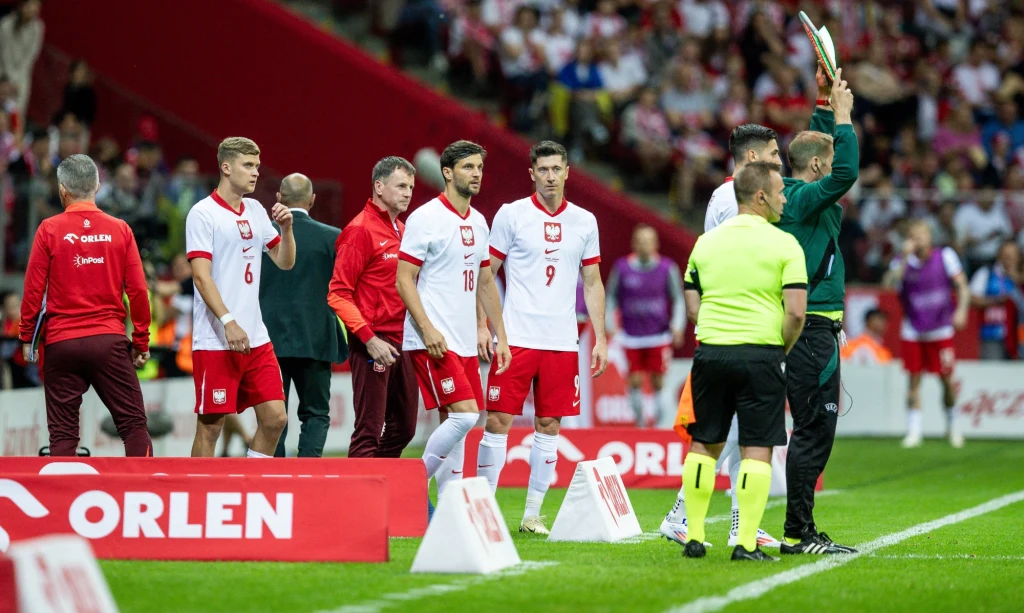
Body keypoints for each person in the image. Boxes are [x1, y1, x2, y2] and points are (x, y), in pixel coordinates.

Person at [475, 140, 608, 535]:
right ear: (532, 173)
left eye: (556, 169)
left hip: (562, 342)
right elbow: (486, 273)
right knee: (497, 420)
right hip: (515, 338)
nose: (550, 177)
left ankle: (532, 514)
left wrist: (600, 338)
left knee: (549, 425)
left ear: (567, 172)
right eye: (543, 170)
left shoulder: (585, 221)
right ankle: (483, 509)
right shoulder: (512, 214)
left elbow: (593, 281)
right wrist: (483, 326)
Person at [662, 123, 783, 550]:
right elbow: (738, 263)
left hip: (726, 325)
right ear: (752, 158)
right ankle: (685, 515)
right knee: (731, 431)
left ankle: (737, 524)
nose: (779, 161)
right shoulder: (737, 200)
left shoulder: (722, 195)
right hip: (737, 328)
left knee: (736, 429)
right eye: (773, 154)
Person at [680, 162, 806, 562]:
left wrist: (716, 331)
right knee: (757, 448)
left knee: (704, 443)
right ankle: (746, 543)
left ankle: (694, 537)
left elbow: (692, 303)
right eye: (781, 191)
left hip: (712, 351)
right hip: (761, 353)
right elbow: (796, 313)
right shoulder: (785, 244)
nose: (785, 199)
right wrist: (781, 349)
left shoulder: (706, 243)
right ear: (761, 196)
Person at [396, 140, 511, 508]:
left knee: (457, 424)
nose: (476, 174)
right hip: (432, 338)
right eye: (468, 167)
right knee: (466, 417)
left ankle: (448, 507)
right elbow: (403, 279)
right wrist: (427, 328)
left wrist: (493, 331)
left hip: (463, 340)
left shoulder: (478, 221)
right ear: (447, 172)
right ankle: (408, 489)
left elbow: (484, 282)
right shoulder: (425, 218)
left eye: (479, 168)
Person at [18, 154, 153, 456]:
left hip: (61, 343)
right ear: (98, 186)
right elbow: (138, 291)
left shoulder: (48, 229)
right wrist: (141, 341)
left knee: (63, 435)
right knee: (133, 426)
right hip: (108, 341)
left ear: (62, 190)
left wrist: (27, 337)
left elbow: (33, 290)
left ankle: (63, 488)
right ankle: (142, 485)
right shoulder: (120, 229)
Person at [775, 68, 859, 555]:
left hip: (816, 329)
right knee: (813, 431)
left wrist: (825, 103)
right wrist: (844, 118)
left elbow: (821, 152)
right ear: (816, 168)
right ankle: (797, 533)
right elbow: (845, 172)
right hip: (811, 330)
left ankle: (799, 529)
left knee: (812, 429)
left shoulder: (797, 192)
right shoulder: (802, 198)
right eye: (826, 162)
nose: (833, 167)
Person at [185, 137, 295, 458]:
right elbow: (201, 276)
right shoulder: (203, 213)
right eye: (248, 165)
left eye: (257, 166)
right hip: (217, 339)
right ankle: (198, 489)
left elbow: (284, 262)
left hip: (255, 337)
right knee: (211, 426)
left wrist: (287, 230)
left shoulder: (256, 210)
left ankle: (251, 482)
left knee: (275, 419)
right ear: (226, 167)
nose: (255, 172)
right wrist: (228, 322)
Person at [329, 156, 420, 458]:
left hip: (403, 340)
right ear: (379, 187)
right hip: (374, 340)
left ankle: (381, 481)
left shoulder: (403, 231)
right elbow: (338, 293)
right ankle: (360, 488)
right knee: (369, 430)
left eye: (411, 187)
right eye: (401, 186)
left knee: (404, 428)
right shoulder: (360, 230)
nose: (408, 193)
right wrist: (369, 339)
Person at [259, 173, 348, 458]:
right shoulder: (333, 237)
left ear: (279, 198)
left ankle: (276, 477)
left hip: (268, 339)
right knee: (316, 413)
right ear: (312, 200)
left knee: (273, 417)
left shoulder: (262, 236)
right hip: (316, 338)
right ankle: (308, 472)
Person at [883, 220, 970, 448]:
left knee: (947, 380)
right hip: (913, 329)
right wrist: (903, 257)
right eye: (914, 235)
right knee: (913, 381)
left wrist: (961, 310)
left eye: (923, 234)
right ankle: (914, 431)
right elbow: (889, 285)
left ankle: (952, 425)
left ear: (930, 237)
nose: (919, 238)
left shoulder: (945, 256)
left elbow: (962, 285)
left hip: (941, 328)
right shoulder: (902, 261)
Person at [606, 224, 683, 428]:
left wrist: (677, 325)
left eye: (648, 241)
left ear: (656, 244)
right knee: (635, 380)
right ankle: (639, 424)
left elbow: (678, 298)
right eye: (640, 241)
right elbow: (611, 297)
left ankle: (658, 425)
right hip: (631, 336)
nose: (644, 245)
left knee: (658, 381)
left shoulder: (667, 268)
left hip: (659, 335)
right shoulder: (622, 268)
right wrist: (610, 323)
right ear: (633, 243)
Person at [968, 241, 1023, 361]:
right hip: (993, 335)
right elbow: (971, 298)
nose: (1009, 260)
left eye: (1013, 256)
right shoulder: (986, 273)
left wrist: (1016, 278)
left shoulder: (1021, 278)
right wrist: (995, 301)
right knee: (993, 369)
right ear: (999, 256)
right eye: (1006, 256)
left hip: (1019, 336)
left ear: (1019, 257)